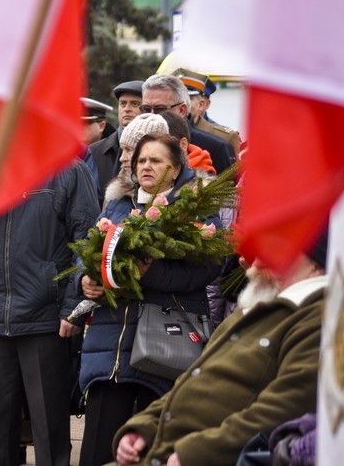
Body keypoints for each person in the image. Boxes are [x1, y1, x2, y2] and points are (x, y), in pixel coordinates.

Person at [112, 233, 328, 466]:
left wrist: (197, 453)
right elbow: (192, 380)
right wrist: (142, 427)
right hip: (161, 452)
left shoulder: (317, 316)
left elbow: (285, 408)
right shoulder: (256, 305)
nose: (254, 262)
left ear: (314, 264)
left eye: (277, 250)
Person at [77, 134, 221, 466]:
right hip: (111, 344)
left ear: (175, 169)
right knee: (100, 444)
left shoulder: (195, 209)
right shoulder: (117, 204)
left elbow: (206, 270)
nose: (145, 166)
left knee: (154, 447)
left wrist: (148, 274)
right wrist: (85, 281)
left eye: (155, 161)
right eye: (141, 160)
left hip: (166, 345)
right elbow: (85, 253)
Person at [0, 155, 99, 466]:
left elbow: (88, 239)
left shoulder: (68, 171)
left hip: (46, 316)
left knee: (48, 425)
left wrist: (73, 308)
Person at [141, 75, 235, 174]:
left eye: (160, 109)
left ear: (182, 110)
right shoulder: (134, 142)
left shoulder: (217, 148)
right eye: (146, 109)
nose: (151, 115)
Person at [172, 68, 242, 159]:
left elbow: (234, 172)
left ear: (202, 104)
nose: (180, 104)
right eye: (174, 98)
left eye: (188, 98)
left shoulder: (224, 137)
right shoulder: (158, 133)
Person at [90, 80, 144, 194]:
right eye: (123, 104)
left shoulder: (157, 149)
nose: (127, 109)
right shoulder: (94, 151)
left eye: (135, 104)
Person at [103, 113, 168, 207]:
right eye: (122, 150)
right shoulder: (117, 193)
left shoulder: (183, 198)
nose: (122, 158)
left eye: (129, 150)